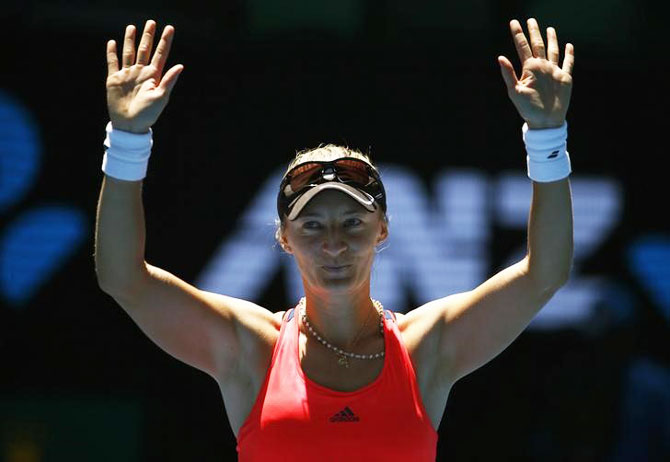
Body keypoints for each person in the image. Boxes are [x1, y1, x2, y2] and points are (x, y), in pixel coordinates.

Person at [94, 17, 574, 461]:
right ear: (284, 238)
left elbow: (543, 275)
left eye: (352, 222)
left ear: (382, 228)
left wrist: (547, 136)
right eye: (312, 225)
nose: (334, 244)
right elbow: (123, 279)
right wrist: (129, 139)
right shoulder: (250, 347)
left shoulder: (426, 347)